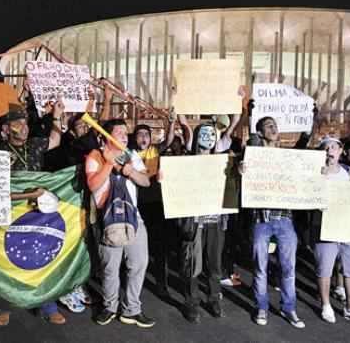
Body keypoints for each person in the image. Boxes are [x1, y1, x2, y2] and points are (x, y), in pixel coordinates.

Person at [239, 100, 313, 329]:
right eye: (268, 126)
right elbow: (250, 142)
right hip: (261, 220)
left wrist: (311, 118)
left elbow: (304, 143)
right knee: (260, 268)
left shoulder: (287, 156)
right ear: (261, 131)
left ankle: (288, 308)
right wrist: (249, 114)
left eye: (275, 125)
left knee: (288, 268)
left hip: (284, 219)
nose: (273, 129)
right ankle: (262, 307)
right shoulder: (255, 153)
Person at [0, 102, 66, 325]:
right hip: (9, 213)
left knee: (42, 254)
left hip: (37, 211)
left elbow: (55, 139)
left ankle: (47, 304)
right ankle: (5, 305)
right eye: (17, 124)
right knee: (5, 259)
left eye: (25, 123)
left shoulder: (34, 145)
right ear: (6, 129)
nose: (23, 128)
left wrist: (57, 115)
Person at [85, 118, 155, 328]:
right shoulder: (95, 156)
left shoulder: (131, 155)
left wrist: (131, 172)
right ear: (107, 136)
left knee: (139, 263)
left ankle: (132, 309)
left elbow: (145, 181)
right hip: (107, 219)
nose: (125, 136)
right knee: (110, 268)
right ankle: (109, 307)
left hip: (133, 218)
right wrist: (108, 163)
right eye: (119, 132)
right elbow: (93, 185)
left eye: (126, 132)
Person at [173, 113, 240, 324]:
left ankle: (213, 298)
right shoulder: (187, 161)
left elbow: (233, 182)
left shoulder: (222, 161)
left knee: (215, 264)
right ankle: (191, 301)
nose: (208, 138)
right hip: (194, 221)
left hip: (215, 220)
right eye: (203, 134)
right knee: (192, 263)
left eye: (212, 134)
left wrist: (238, 171)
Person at [312, 137, 350, 327]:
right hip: (325, 228)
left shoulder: (347, 171)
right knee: (325, 268)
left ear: (340, 151)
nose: (330, 150)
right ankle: (326, 305)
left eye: (334, 147)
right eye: (326, 147)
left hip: (347, 227)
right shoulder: (315, 171)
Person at [132, 109, 175, 297]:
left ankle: (161, 283)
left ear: (150, 138)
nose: (143, 138)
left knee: (159, 246)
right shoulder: (129, 154)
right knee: (136, 247)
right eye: (140, 134)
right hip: (136, 205)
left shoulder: (155, 151)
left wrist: (171, 123)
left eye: (146, 135)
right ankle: (134, 283)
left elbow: (170, 140)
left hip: (156, 204)